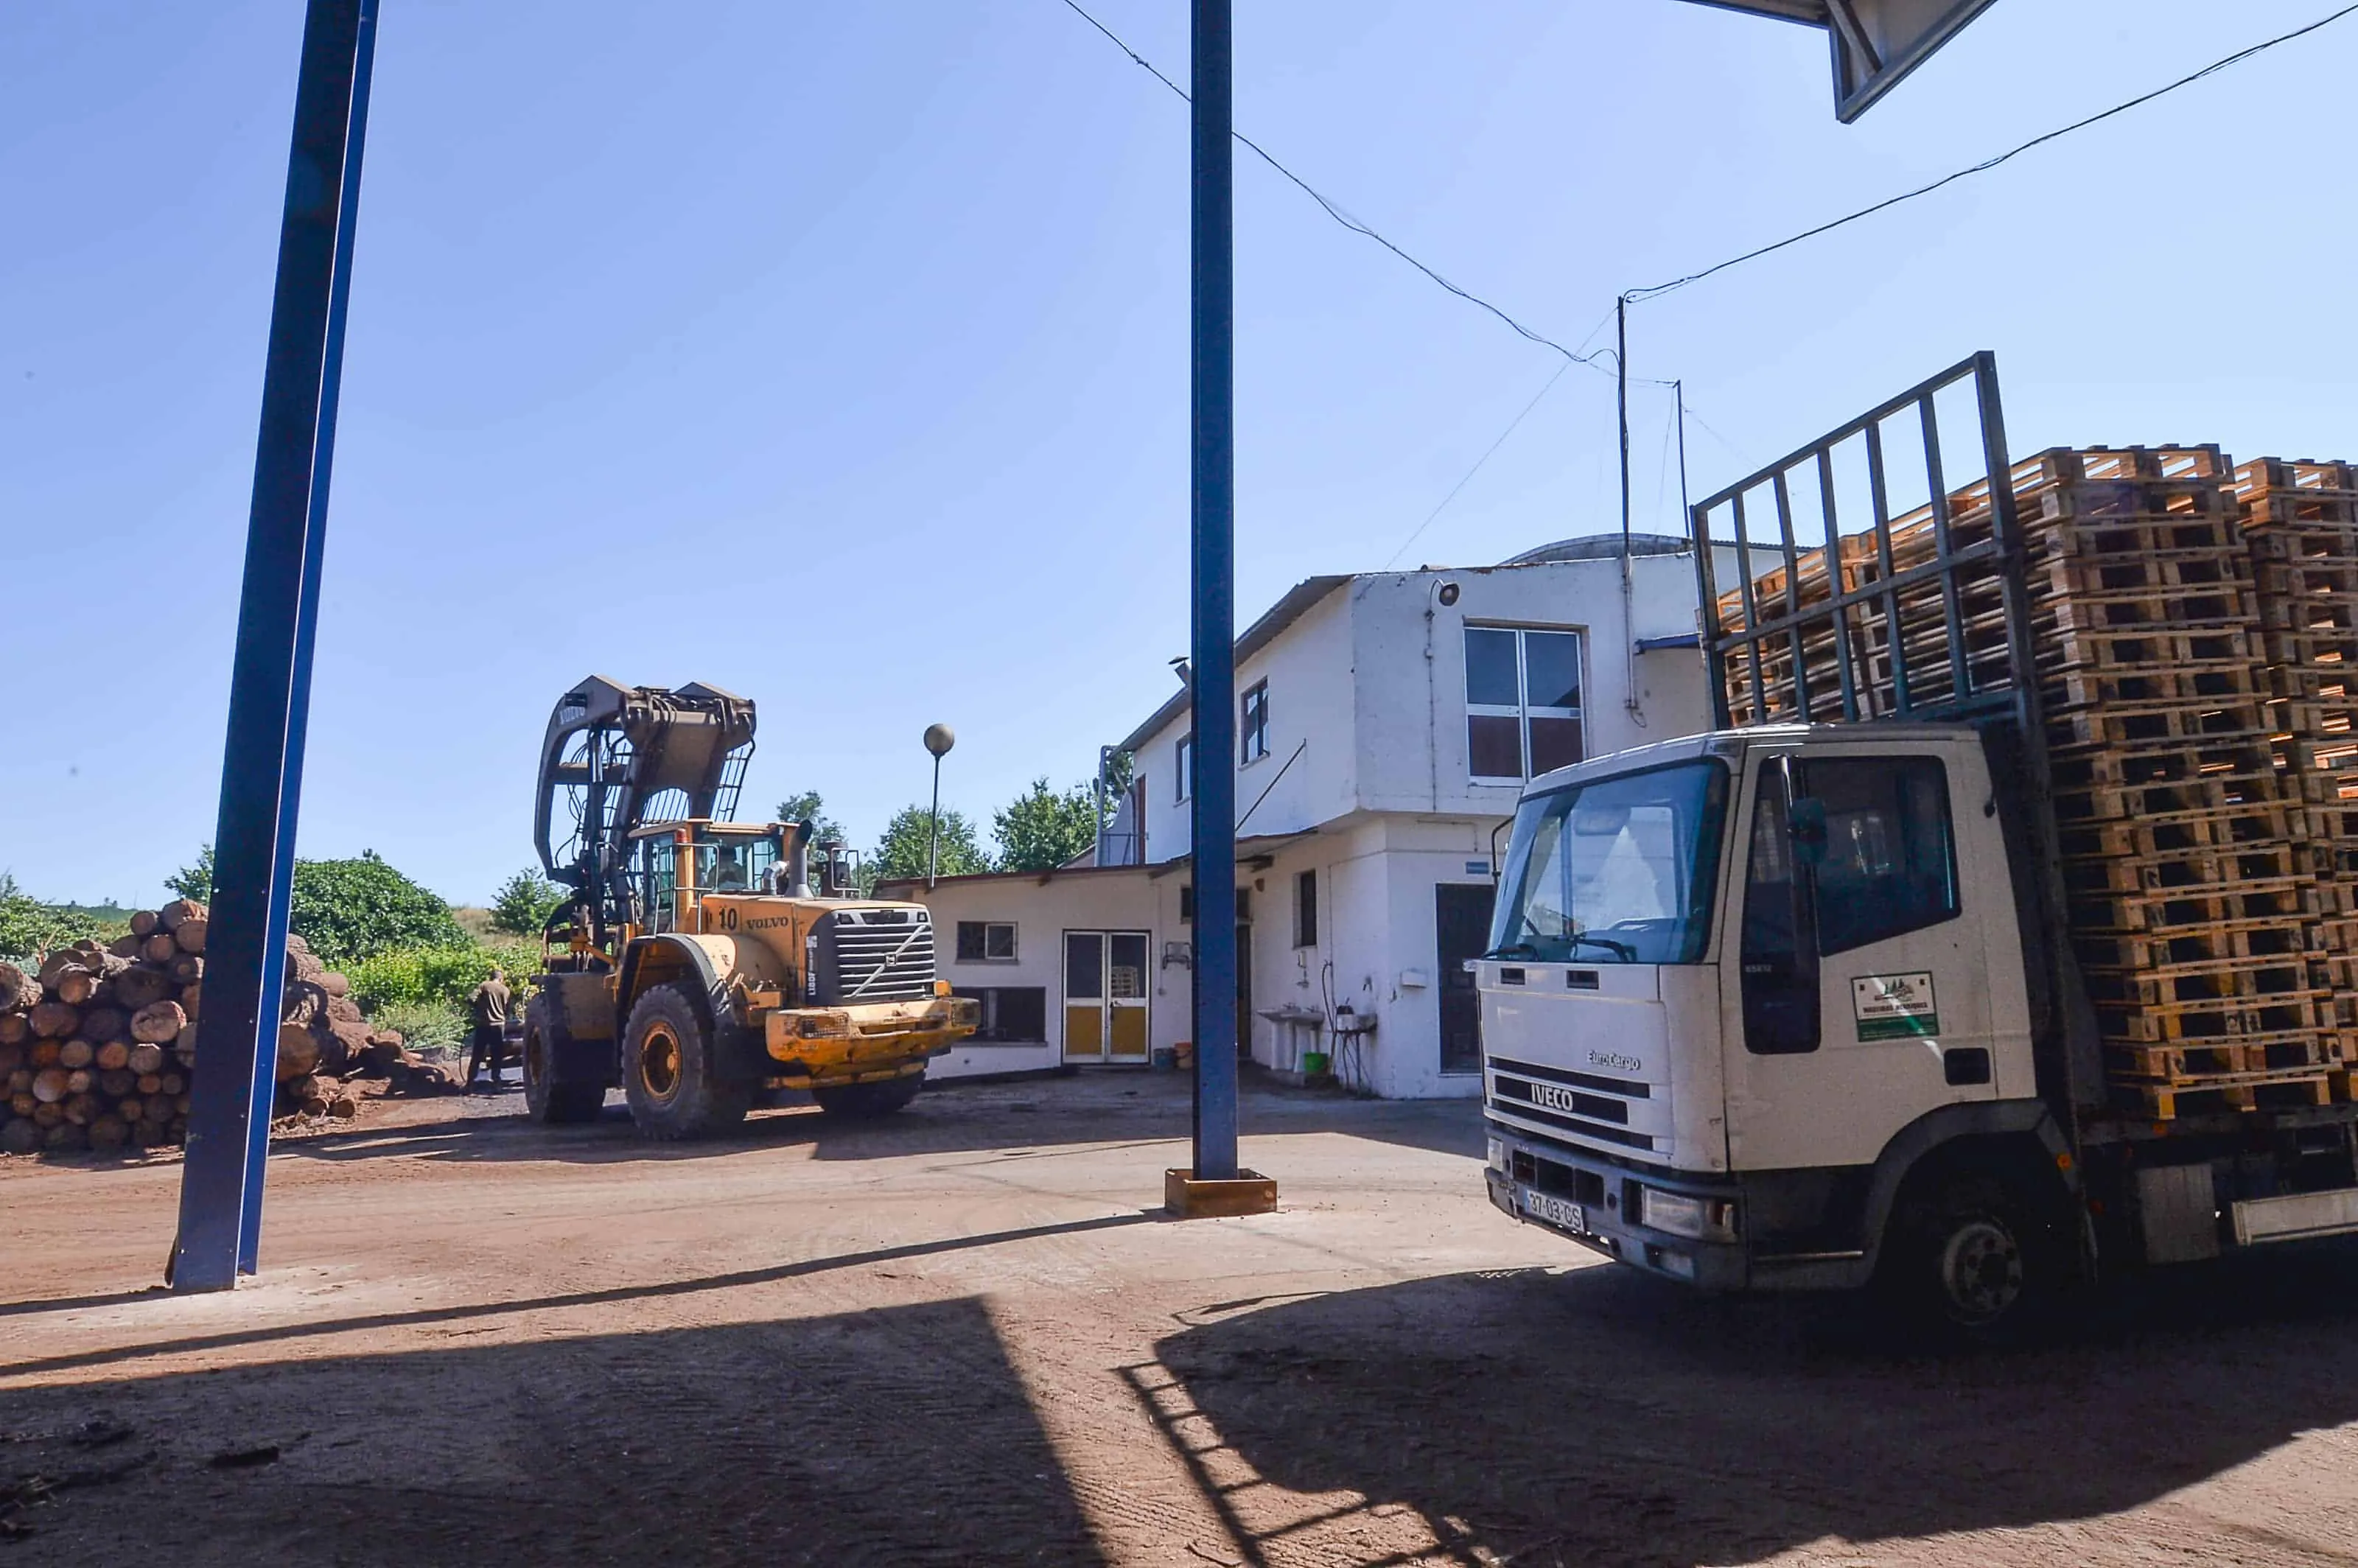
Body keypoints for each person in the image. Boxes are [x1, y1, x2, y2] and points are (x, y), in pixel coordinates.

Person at [466, 967, 512, 1089]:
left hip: (484, 1025)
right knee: (496, 1056)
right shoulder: (506, 990)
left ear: (491, 977)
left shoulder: (484, 985)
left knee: (477, 1055)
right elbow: (507, 1010)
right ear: (501, 979)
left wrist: (478, 1007)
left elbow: (471, 998)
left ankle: (469, 1084)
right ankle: (496, 1084)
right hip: (498, 1026)